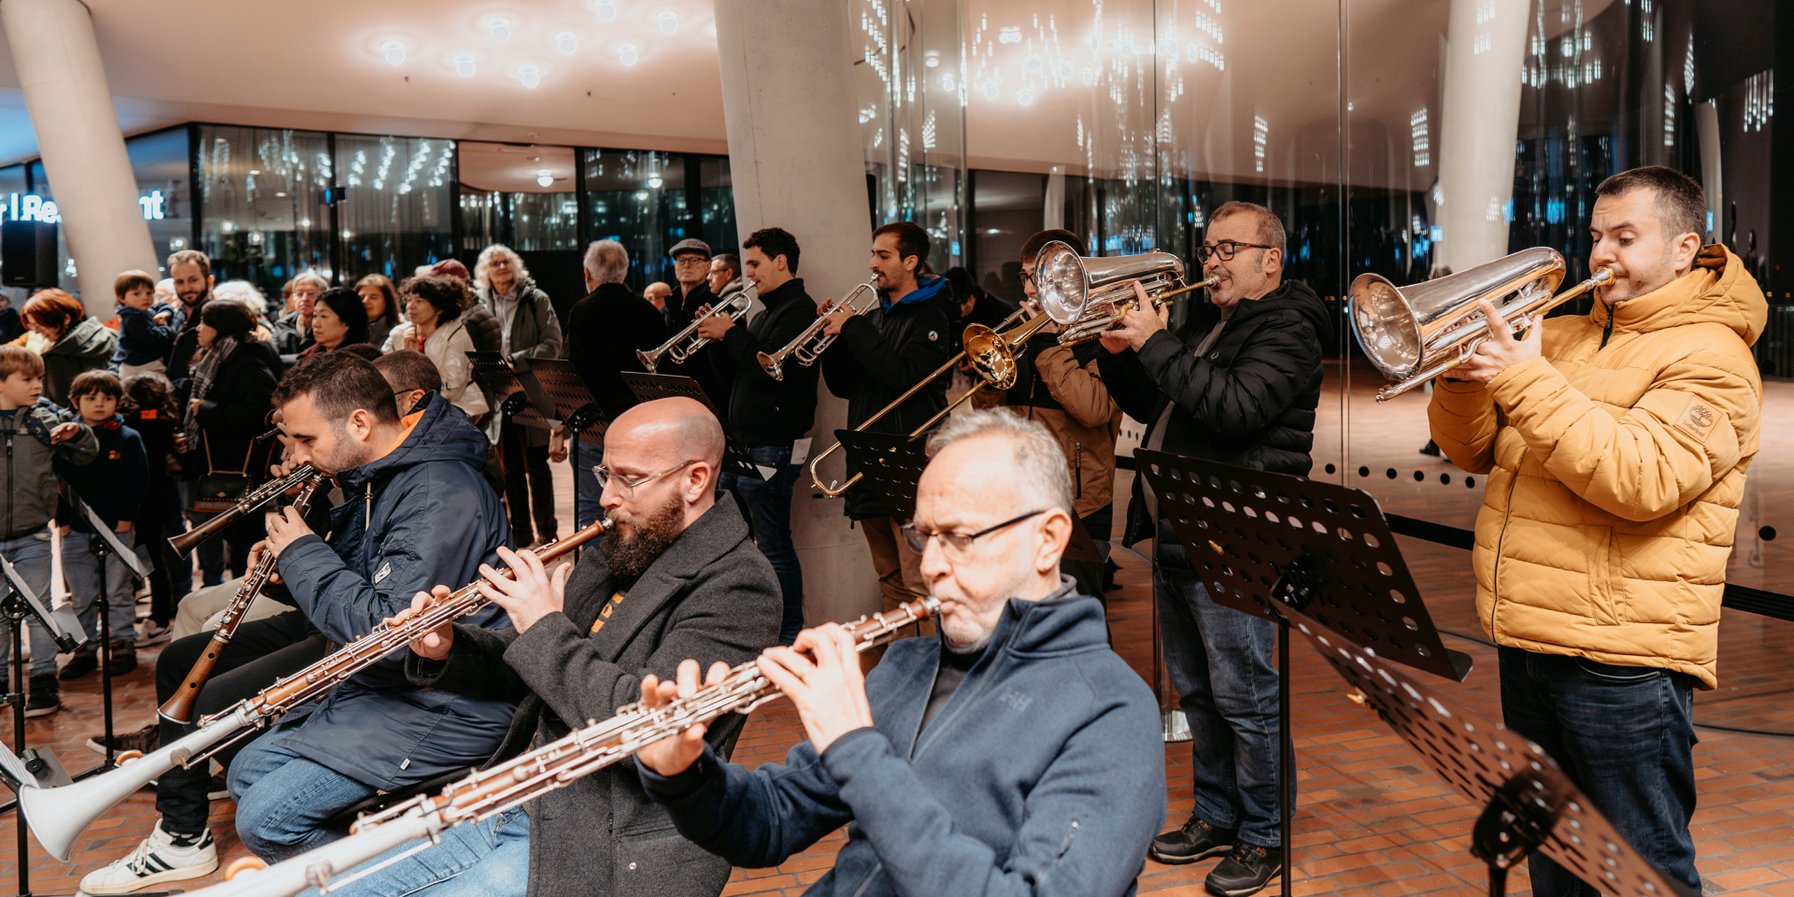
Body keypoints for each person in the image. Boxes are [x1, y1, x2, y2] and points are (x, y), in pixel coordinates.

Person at [636, 408, 1166, 897]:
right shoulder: (909, 666)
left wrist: (855, 748)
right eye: (924, 535)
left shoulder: (1110, 712)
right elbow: (771, 822)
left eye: (957, 536)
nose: (931, 564)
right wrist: (686, 776)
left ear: (1048, 540)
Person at [1427, 166, 1765, 897]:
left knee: (1645, 866)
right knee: (1559, 853)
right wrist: (1459, 381)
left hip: (1623, 653)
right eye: (1595, 237)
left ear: (1684, 248)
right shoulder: (1568, 335)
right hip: (1529, 635)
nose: (1600, 254)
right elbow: (1472, 449)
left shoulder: (1714, 357)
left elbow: (1641, 479)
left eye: (1624, 237)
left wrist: (1523, 377)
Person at [77, 353, 516, 894]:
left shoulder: (437, 493)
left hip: (446, 699)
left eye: (306, 440)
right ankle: (372, 858)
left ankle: (398, 879)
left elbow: (392, 637)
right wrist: (293, 570)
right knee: (245, 771)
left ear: (358, 422)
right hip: (386, 689)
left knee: (265, 819)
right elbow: (365, 578)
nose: (297, 455)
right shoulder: (376, 473)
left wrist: (304, 552)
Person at [315, 397, 781, 897]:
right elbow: (529, 664)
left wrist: (543, 624)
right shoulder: (627, 543)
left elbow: (648, 734)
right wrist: (447, 647)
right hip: (516, 796)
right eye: (606, 474)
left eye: (630, 479)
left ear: (694, 480)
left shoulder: (738, 587)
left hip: (600, 836)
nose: (606, 497)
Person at [1097, 201, 1329, 896]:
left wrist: (1157, 343)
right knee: (1199, 692)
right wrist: (1120, 355)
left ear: (1272, 259)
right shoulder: (1211, 323)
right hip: (1184, 535)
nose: (1213, 261)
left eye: (1231, 248)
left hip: (1242, 539)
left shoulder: (1289, 328)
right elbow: (1158, 406)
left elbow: (1235, 408)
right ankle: (1218, 813)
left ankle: (1264, 833)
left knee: (1247, 695)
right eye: (1208, 248)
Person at [817, 221, 956, 615]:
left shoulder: (932, 318)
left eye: (883, 255)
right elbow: (847, 386)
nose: (872, 263)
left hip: (908, 461)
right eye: (872, 253)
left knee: (919, 582)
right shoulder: (876, 317)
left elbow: (904, 377)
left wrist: (855, 328)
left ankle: (929, 668)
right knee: (890, 579)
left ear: (911, 261)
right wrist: (835, 340)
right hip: (869, 459)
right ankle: (901, 665)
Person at [976, 229, 1121, 599]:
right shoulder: (1024, 332)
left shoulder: (1105, 329)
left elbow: (1095, 408)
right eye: (1024, 277)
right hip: (1020, 494)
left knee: (1079, 611)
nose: (1027, 291)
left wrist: (1047, 345)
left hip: (1080, 501)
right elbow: (990, 415)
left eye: (1037, 278)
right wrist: (991, 382)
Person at [698, 227, 818, 644]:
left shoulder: (799, 311)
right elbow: (737, 378)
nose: (748, 274)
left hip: (773, 444)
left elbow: (773, 372)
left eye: (754, 264)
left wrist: (731, 333)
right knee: (743, 542)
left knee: (774, 542)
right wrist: (716, 341)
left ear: (780, 261)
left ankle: (788, 634)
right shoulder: (765, 314)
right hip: (744, 443)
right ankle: (754, 625)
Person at [0, 345, 97, 717]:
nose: (37, 385)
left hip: (34, 534)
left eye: (39, 377)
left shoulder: (45, 417)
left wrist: (77, 434)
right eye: (27, 379)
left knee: (38, 608)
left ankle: (43, 680)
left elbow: (87, 451)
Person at [564, 240, 667, 528]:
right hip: (639, 427)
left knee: (590, 509)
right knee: (637, 508)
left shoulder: (582, 310)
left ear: (587, 274)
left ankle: (596, 572)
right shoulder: (648, 312)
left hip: (592, 427)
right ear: (625, 271)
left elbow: (573, 369)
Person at [54, 370, 149, 678]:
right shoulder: (65, 439)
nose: (99, 404)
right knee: (80, 595)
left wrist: (126, 518)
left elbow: (137, 481)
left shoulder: (128, 438)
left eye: (107, 398)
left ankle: (122, 644)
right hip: (75, 530)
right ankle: (83, 650)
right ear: (74, 402)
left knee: (118, 591)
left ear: (118, 402)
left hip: (117, 527)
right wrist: (63, 522)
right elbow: (56, 481)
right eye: (90, 398)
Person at [182, 299, 283, 581]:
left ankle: (247, 589)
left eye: (205, 322)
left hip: (241, 465)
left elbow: (260, 412)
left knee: (244, 537)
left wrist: (206, 410)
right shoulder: (220, 355)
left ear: (221, 327)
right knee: (236, 535)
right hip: (224, 460)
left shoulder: (248, 359)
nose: (199, 328)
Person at [476, 244, 565, 547]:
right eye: (495, 264)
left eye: (505, 262)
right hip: (499, 394)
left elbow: (552, 343)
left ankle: (548, 533)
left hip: (532, 392)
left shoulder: (536, 299)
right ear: (486, 272)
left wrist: (516, 360)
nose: (501, 268)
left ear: (515, 266)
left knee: (537, 467)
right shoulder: (481, 303)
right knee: (510, 469)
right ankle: (522, 534)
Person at [384, 275, 487, 421]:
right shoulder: (399, 333)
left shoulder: (456, 335)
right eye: (408, 300)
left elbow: (452, 389)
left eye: (419, 301)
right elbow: (382, 373)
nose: (410, 306)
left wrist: (413, 360)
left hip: (455, 409)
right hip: (406, 408)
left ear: (439, 308)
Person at [22, 288, 117, 407]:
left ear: (66, 319)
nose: (36, 331)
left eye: (40, 324)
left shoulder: (57, 357)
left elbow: (60, 405)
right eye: (32, 325)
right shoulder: (110, 335)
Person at [112, 269, 178, 377]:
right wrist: (163, 326)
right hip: (139, 367)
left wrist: (164, 313)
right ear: (121, 298)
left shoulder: (143, 310)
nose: (145, 297)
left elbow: (163, 306)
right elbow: (157, 339)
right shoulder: (132, 318)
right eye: (136, 294)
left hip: (146, 363)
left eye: (149, 293)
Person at [163, 250, 214, 377]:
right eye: (180, 282)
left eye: (193, 280)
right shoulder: (172, 317)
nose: (186, 288)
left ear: (210, 281)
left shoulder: (218, 320)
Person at [296, 287, 370, 359]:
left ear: (347, 322)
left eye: (324, 316)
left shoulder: (358, 362)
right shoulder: (308, 356)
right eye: (315, 316)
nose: (316, 324)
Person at [271, 271, 328, 356]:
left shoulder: (330, 325)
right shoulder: (282, 325)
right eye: (299, 294)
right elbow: (273, 358)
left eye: (310, 294)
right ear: (293, 297)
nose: (305, 299)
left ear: (324, 295)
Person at [356, 274, 402, 349]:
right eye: (361, 297)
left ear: (387, 301)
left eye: (373, 297)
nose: (365, 301)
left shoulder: (398, 332)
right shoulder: (347, 331)